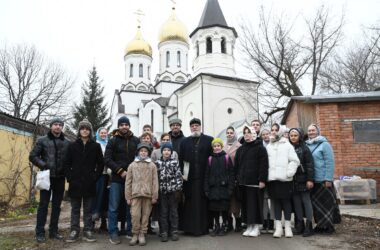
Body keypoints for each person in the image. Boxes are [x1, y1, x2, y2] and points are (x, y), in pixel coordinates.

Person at [29, 117, 70, 243]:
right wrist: (43, 165)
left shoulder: (67, 142)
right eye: (55, 124)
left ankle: (53, 231)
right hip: (46, 177)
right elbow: (32, 156)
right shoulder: (42, 140)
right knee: (43, 205)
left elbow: (70, 160)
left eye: (60, 125)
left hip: (60, 178)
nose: (57, 126)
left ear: (62, 127)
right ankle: (40, 232)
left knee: (57, 206)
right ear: (51, 126)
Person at [64, 119, 104, 243]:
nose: (85, 130)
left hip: (89, 183)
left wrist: (95, 177)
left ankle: (87, 230)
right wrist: (70, 177)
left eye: (87, 129)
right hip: (75, 182)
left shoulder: (95, 146)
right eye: (82, 128)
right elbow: (66, 163)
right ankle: (74, 230)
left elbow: (101, 164)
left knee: (88, 209)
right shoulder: (72, 145)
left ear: (90, 131)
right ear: (79, 130)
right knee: (75, 209)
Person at [104, 116, 139, 244]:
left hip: (133, 179)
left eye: (126, 124)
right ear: (118, 126)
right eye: (122, 124)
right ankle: (113, 232)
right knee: (113, 207)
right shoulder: (113, 141)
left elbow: (140, 156)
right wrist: (120, 171)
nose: (124, 126)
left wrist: (132, 171)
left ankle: (130, 230)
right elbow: (107, 159)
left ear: (129, 126)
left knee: (131, 206)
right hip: (117, 179)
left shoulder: (136, 140)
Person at [179, 118, 213, 236]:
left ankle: (204, 228)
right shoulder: (184, 142)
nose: (194, 127)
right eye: (192, 125)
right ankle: (189, 228)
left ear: (200, 126)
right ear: (190, 128)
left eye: (197, 125)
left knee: (203, 204)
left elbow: (212, 158)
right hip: (189, 179)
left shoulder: (209, 140)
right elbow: (181, 160)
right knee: (189, 204)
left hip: (204, 178)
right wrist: (183, 177)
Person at [266, 124, 299, 238]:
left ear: (280, 131)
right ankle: (279, 227)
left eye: (276, 130)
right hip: (273, 179)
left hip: (285, 180)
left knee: (286, 202)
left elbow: (294, 161)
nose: (274, 132)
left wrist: (288, 173)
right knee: (276, 203)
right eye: (272, 130)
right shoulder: (269, 146)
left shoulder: (287, 144)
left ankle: (288, 227)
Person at [235, 127, 268, 237]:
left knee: (255, 205)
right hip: (243, 182)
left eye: (249, 133)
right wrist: (237, 178)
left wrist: (262, 180)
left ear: (253, 134)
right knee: (246, 206)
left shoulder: (260, 148)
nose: (246, 135)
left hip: (255, 182)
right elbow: (237, 165)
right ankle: (249, 226)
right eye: (245, 133)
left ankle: (256, 227)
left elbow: (264, 165)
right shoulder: (241, 149)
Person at [125, 143, 159, 246]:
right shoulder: (132, 165)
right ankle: (135, 234)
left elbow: (155, 181)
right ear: (138, 152)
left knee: (145, 215)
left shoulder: (152, 165)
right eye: (141, 151)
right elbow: (128, 182)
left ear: (148, 153)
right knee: (135, 215)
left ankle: (142, 234)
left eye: (145, 151)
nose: (143, 153)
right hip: (135, 194)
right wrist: (128, 196)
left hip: (148, 194)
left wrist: (155, 196)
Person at [306, 124, 336, 234]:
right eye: (309, 131)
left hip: (324, 180)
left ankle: (328, 227)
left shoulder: (325, 144)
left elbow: (330, 162)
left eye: (313, 130)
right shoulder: (307, 145)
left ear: (318, 131)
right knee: (316, 206)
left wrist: (328, 178)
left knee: (326, 205)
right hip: (313, 179)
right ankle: (320, 225)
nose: (311, 132)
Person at [205, 138, 234, 237]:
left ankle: (224, 226)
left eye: (218, 146)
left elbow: (231, 173)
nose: (216, 148)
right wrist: (206, 189)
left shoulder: (226, 158)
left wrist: (230, 188)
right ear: (212, 148)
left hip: (224, 189)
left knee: (224, 209)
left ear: (221, 147)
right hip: (213, 189)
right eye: (215, 146)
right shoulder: (210, 159)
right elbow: (206, 175)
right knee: (215, 210)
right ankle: (216, 226)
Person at [288, 128, 314, 237]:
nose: (293, 137)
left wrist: (310, 179)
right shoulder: (288, 148)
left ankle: (309, 225)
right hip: (292, 180)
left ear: (299, 136)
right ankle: (300, 225)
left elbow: (310, 165)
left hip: (303, 179)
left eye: (295, 135)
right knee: (297, 203)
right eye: (291, 135)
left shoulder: (305, 148)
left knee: (306, 202)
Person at [155, 143, 183, 242]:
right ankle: (164, 232)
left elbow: (179, 176)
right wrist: (156, 190)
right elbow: (155, 178)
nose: (166, 152)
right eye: (164, 150)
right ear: (161, 152)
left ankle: (174, 231)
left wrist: (178, 189)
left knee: (174, 212)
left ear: (171, 152)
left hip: (173, 191)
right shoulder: (157, 163)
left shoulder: (175, 162)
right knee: (163, 212)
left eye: (168, 150)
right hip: (162, 192)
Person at [222, 126, 242, 232]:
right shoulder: (223, 147)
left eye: (231, 133)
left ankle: (238, 222)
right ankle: (229, 223)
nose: (229, 134)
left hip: (235, 177)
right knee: (228, 201)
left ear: (234, 134)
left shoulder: (239, 146)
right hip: (225, 178)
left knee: (236, 201)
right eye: (228, 133)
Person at [92, 127, 109, 232]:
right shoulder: (95, 144)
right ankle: (92, 221)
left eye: (105, 133)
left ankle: (104, 223)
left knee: (105, 199)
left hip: (108, 174)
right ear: (98, 134)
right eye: (101, 133)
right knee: (96, 196)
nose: (103, 134)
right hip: (98, 174)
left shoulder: (109, 144)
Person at [259, 126, 274, 233]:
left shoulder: (275, 145)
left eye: (267, 133)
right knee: (264, 200)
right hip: (263, 176)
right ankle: (265, 221)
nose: (265, 136)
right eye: (263, 134)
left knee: (272, 200)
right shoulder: (259, 146)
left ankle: (272, 222)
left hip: (273, 176)